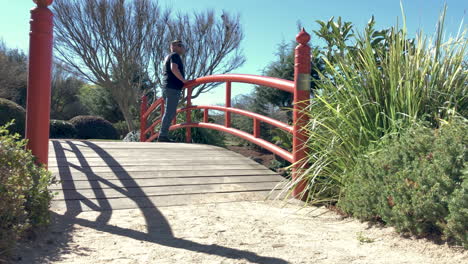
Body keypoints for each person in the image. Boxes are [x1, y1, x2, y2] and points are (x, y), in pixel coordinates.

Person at [157, 40, 188, 142]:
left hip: (167, 87)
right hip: (172, 88)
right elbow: (174, 68)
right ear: (176, 46)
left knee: (169, 111)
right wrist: (183, 80)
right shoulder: (175, 55)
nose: (183, 49)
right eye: (182, 46)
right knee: (170, 112)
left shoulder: (168, 56)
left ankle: (163, 134)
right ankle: (162, 135)